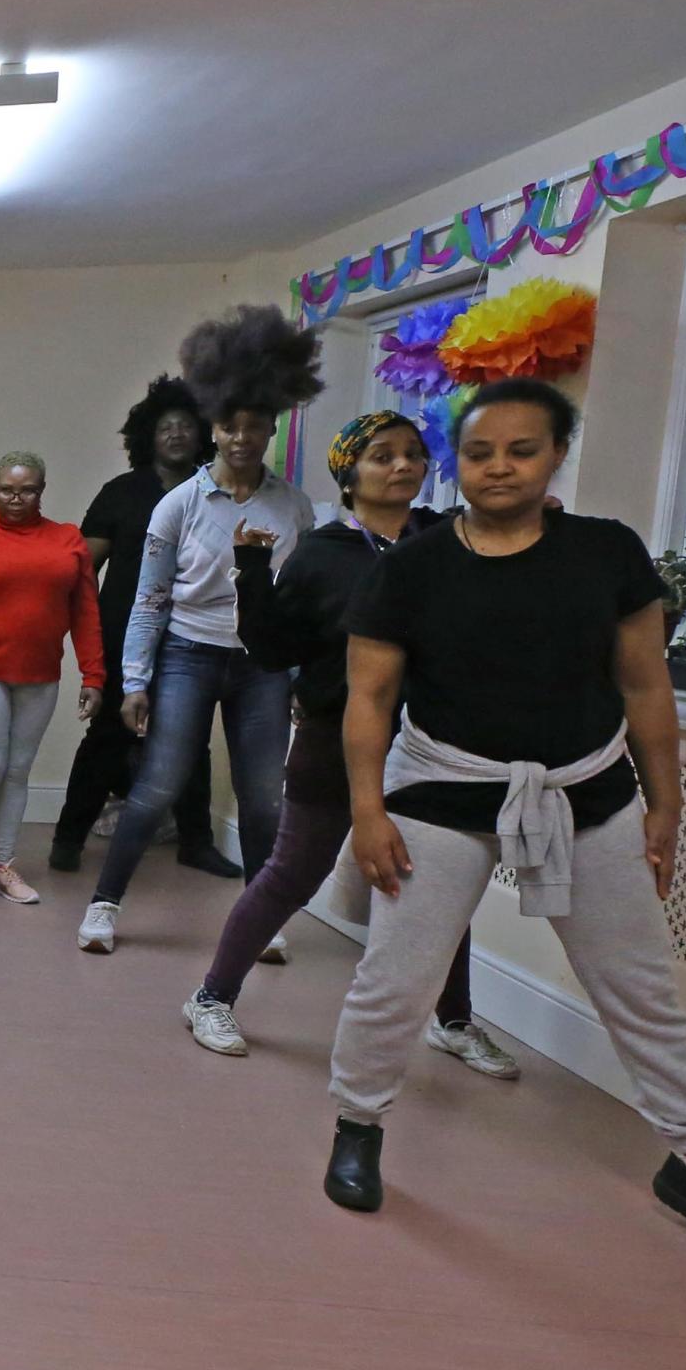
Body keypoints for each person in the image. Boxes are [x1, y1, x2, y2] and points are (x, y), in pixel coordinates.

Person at [323, 380, 686, 1275]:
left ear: (554, 458)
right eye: (478, 452)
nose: (498, 467)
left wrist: (665, 803)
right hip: (440, 791)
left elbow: (645, 684)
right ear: (457, 462)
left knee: (639, 985)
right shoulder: (413, 567)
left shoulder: (605, 554)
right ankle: (358, 1124)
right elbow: (369, 696)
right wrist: (367, 809)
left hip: (589, 790)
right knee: (397, 977)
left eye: (521, 450)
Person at [177, 412, 511, 1077]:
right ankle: (210, 996)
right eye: (383, 456)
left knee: (442, 878)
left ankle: (453, 1020)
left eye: (414, 454)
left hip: (432, 745)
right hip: (335, 739)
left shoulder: (447, 540)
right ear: (348, 474)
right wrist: (250, 570)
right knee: (293, 872)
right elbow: (274, 649)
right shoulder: (324, 553)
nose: (403, 466)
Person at [78, 307, 322, 954]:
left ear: (272, 428)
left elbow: (298, 604)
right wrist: (136, 679)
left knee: (265, 801)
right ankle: (104, 906)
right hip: (187, 654)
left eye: (254, 426)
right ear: (214, 430)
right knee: (156, 787)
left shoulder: (294, 506)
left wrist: (298, 675)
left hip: (263, 667)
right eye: (229, 426)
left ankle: (259, 921)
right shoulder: (179, 504)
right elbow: (150, 599)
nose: (241, 437)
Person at [49, 378, 234, 876]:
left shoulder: (219, 492)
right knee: (107, 736)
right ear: (147, 436)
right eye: (165, 427)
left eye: (185, 426)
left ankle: (196, 841)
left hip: (194, 633)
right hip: (121, 634)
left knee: (191, 741)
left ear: (203, 435)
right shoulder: (122, 493)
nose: (175, 434)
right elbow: (83, 567)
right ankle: (68, 838)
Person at [0, 451, 104, 904]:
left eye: (27, 489)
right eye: (7, 489)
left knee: (18, 770)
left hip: (41, 676)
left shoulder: (68, 540)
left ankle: (2, 864)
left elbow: (86, 613)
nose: (16, 498)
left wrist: (94, 675)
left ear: (42, 491)